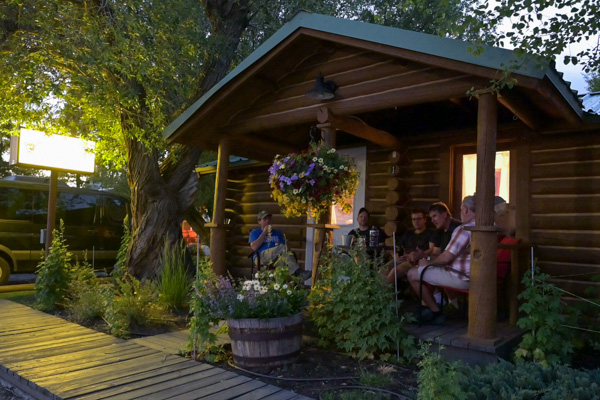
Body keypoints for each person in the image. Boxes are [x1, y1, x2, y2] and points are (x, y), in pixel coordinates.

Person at [407, 195, 477, 324]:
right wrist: (427, 258)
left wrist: (428, 262)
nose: (460, 213)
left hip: (462, 277)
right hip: (477, 275)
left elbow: (446, 258)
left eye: (461, 210)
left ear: (466, 210)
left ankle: (435, 311)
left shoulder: (463, 229)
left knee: (412, 273)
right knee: (425, 266)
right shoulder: (486, 227)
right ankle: (435, 306)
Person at [386, 209, 434, 284]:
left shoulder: (431, 233)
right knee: (383, 269)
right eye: (414, 219)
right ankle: (376, 293)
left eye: (419, 219)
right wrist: (395, 257)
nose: (416, 221)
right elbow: (395, 248)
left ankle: (382, 294)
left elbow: (432, 250)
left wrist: (417, 255)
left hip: (417, 261)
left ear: (425, 220)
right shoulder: (408, 233)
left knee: (395, 271)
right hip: (404, 259)